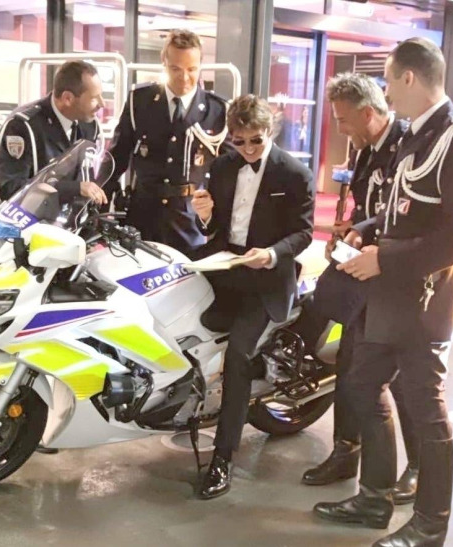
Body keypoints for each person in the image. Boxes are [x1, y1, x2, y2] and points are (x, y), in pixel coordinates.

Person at [312, 38, 453, 547]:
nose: (386, 91)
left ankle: (431, 525)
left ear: (409, 77)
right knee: (361, 386)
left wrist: (385, 258)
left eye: (389, 81)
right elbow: (402, 210)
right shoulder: (418, 135)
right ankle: (375, 498)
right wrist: (366, 230)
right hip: (389, 297)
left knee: (425, 410)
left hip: (424, 300)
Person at [291, 73, 419, 505]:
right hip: (361, 271)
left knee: (402, 381)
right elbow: (368, 205)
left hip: (398, 277)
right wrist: (351, 230)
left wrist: (365, 230)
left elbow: (408, 215)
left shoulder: (408, 146)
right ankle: (346, 452)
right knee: (349, 364)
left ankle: (417, 468)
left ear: (367, 113)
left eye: (344, 120)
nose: (341, 129)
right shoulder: (367, 148)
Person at [191, 94, 315, 499]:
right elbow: (214, 230)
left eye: (255, 141)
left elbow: (304, 232)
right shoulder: (222, 167)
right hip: (225, 268)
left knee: (238, 357)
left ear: (270, 131)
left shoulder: (294, 173)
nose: (246, 149)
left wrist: (272, 254)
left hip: (267, 278)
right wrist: (205, 216)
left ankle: (223, 458)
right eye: (239, 141)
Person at [101, 29, 228, 256]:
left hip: (188, 219)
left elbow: (228, 168)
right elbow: (117, 158)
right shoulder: (140, 101)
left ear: (201, 65)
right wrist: (100, 208)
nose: (184, 78)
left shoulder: (217, 110)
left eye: (192, 69)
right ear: (164, 62)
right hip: (142, 215)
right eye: (175, 69)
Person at [0, 61, 106, 205]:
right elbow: (11, 188)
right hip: (33, 216)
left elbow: (86, 175)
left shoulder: (90, 124)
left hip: (74, 217)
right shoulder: (23, 126)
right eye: (94, 98)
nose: (102, 104)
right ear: (68, 98)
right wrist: (74, 189)